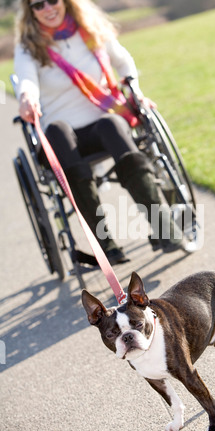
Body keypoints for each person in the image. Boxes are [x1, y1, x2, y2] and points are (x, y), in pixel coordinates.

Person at [14, 0, 185, 266]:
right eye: (38, 4)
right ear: (30, 10)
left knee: (113, 124)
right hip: (63, 139)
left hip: (101, 124)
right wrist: (27, 97)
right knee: (57, 130)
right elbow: (26, 80)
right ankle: (106, 245)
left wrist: (135, 92)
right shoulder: (29, 47)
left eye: (53, 0)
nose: (47, 8)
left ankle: (164, 228)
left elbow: (124, 62)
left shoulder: (92, 31)